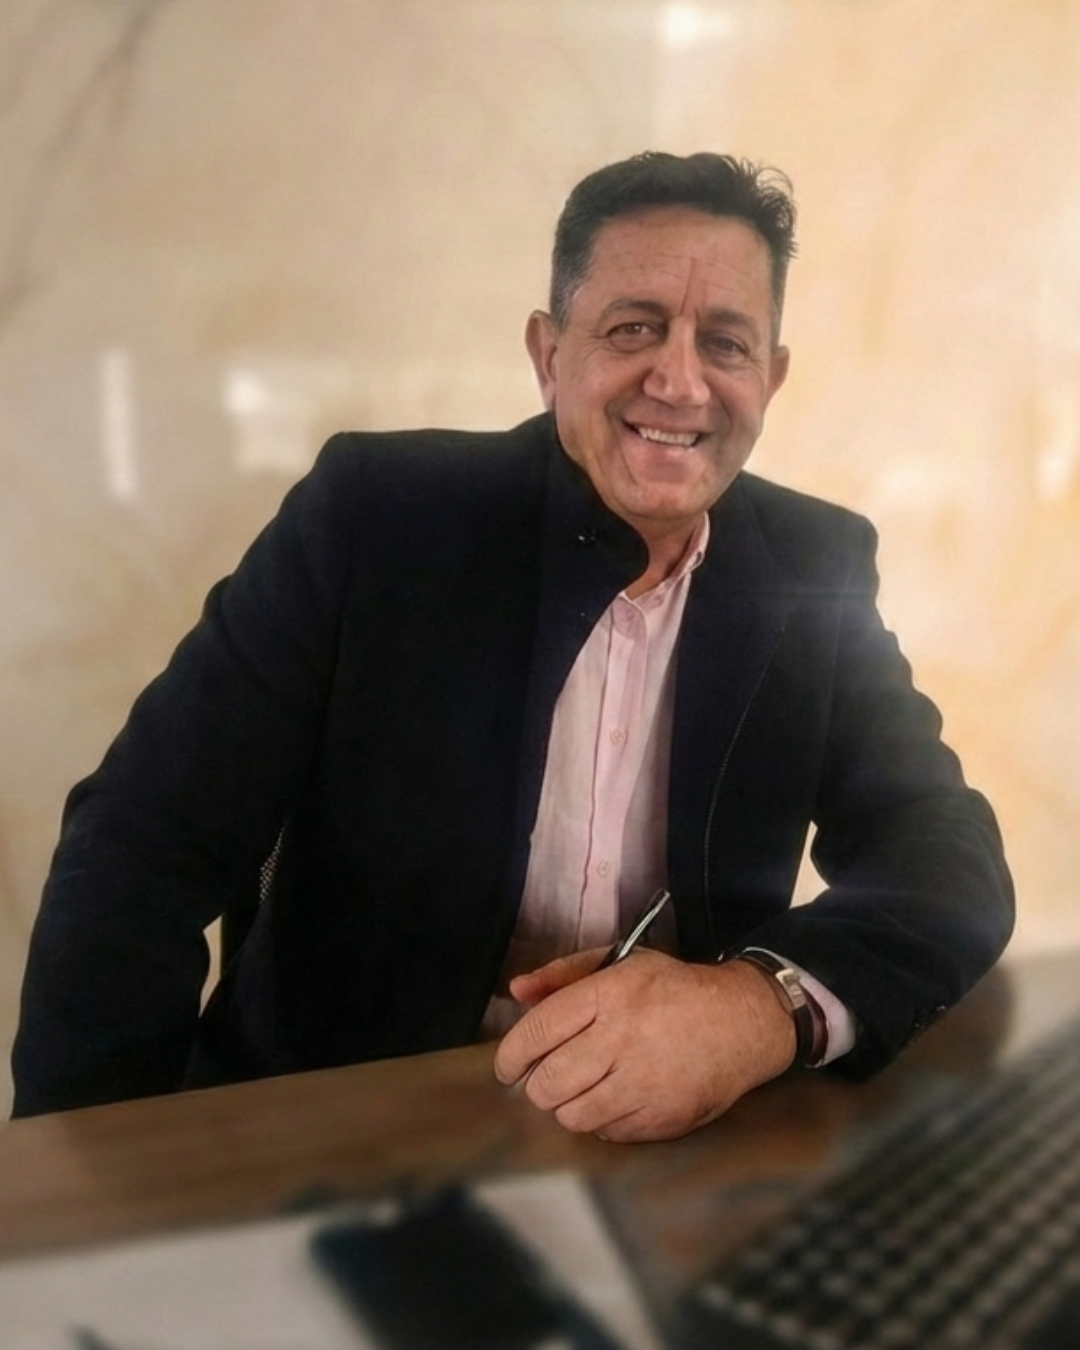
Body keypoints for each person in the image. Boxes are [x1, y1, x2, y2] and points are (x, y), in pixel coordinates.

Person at [11, 152, 1014, 1138]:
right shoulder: (374, 518)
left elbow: (946, 858)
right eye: (633, 328)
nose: (680, 380)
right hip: (343, 1130)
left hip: (660, 1144)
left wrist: (757, 1007)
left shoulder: (814, 565)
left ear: (772, 377)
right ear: (549, 355)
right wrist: (89, 1179)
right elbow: (142, 844)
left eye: (725, 342)